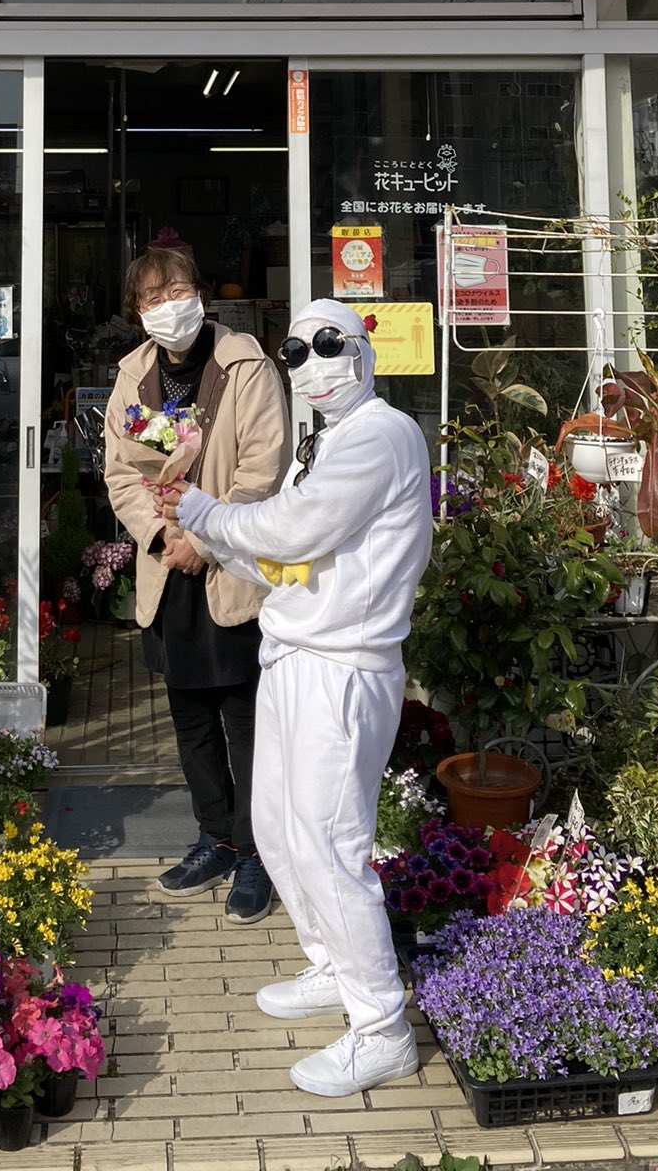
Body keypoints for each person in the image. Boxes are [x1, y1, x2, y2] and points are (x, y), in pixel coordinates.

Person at [155, 297, 432, 1097]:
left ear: (363, 351)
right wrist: (211, 542)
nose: (311, 364)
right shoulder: (329, 441)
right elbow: (286, 558)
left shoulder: (381, 434)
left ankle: (380, 1027)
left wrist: (204, 513)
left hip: (342, 667)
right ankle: (332, 965)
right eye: (296, 352)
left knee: (329, 845)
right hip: (294, 654)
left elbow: (296, 529)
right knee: (278, 828)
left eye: (328, 344)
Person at [103, 243, 292, 923]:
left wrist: (204, 540)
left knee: (247, 722)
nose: (168, 306)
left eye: (177, 290)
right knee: (191, 720)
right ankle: (215, 837)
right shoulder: (135, 378)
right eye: (153, 298)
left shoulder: (244, 365)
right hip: (169, 575)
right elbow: (122, 473)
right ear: (137, 312)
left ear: (200, 292)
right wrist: (164, 541)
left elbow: (263, 470)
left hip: (232, 571)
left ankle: (257, 851)